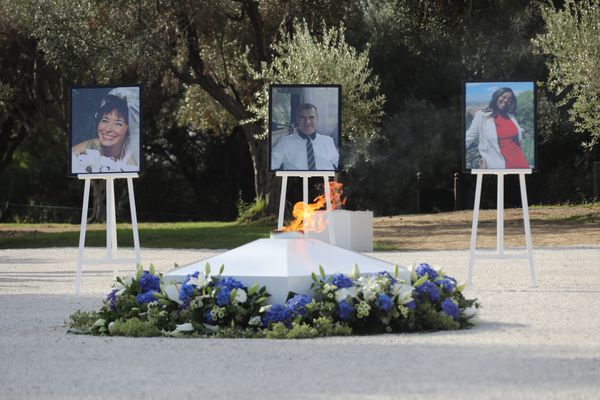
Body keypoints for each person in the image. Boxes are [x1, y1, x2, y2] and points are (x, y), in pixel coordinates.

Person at [72, 87, 139, 173]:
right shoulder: (88, 148)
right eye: (104, 120)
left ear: (128, 129)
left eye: (118, 123)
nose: (108, 129)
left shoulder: (133, 157)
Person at [465, 87, 529, 169]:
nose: (506, 101)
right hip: (497, 161)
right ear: (497, 96)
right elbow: (469, 136)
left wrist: (521, 131)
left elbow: (514, 130)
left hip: (518, 159)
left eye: (510, 100)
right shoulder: (482, 116)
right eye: (504, 97)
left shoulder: (510, 116)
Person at [271, 103, 339, 171]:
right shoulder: (284, 142)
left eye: (311, 117)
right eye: (303, 117)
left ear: (317, 119)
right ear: (297, 120)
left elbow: (338, 163)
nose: (307, 122)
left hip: (327, 180)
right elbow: (271, 164)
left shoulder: (328, 141)